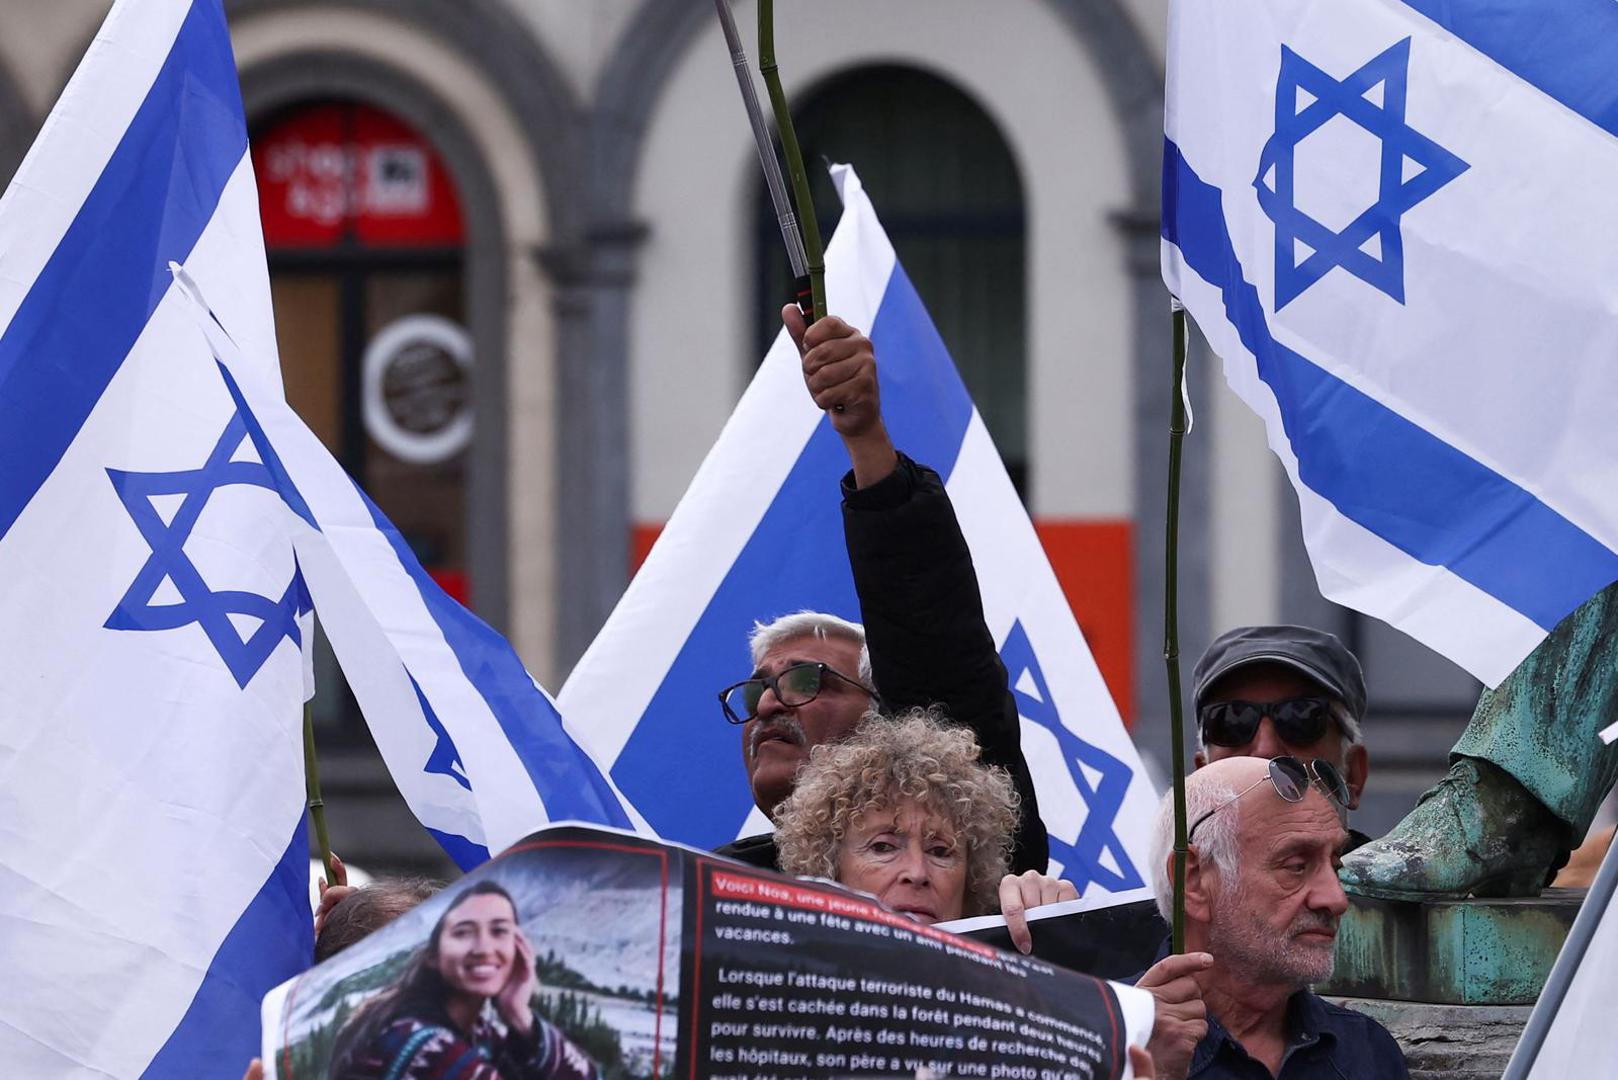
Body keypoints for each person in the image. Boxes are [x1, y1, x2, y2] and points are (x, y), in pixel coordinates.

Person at [714, 307, 1047, 877]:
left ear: (886, 720)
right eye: (756, 691)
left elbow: (932, 640)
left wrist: (866, 438)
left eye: (803, 680)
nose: (768, 703)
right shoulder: (707, 895)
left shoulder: (972, 864)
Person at [776, 711, 1203, 1073]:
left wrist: (1058, 945)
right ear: (828, 869)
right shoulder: (775, 1011)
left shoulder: (1017, 1003)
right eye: (884, 847)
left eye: (941, 851)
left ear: (972, 879)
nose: (917, 873)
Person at [1146, 756, 1407, 1079]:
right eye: (1296, 866)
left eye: (1335, 866)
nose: (1336, 899)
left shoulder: (1366, 1052)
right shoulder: (1097, 1038)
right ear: (1194, 881)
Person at [329, 881, 598, 1080]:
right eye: (463, 933)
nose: (483, 948)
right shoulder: (421, 1044)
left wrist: (521, 1018)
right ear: (431, 955)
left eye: (499, 931)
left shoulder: (479, 1030)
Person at [1191, 625, 1372, 847]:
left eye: (1299, 716)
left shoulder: (1413, 878)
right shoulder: (1168, 881)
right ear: (1202, 774)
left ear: (1353, 776)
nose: (1265, 750)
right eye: (1231, 720)